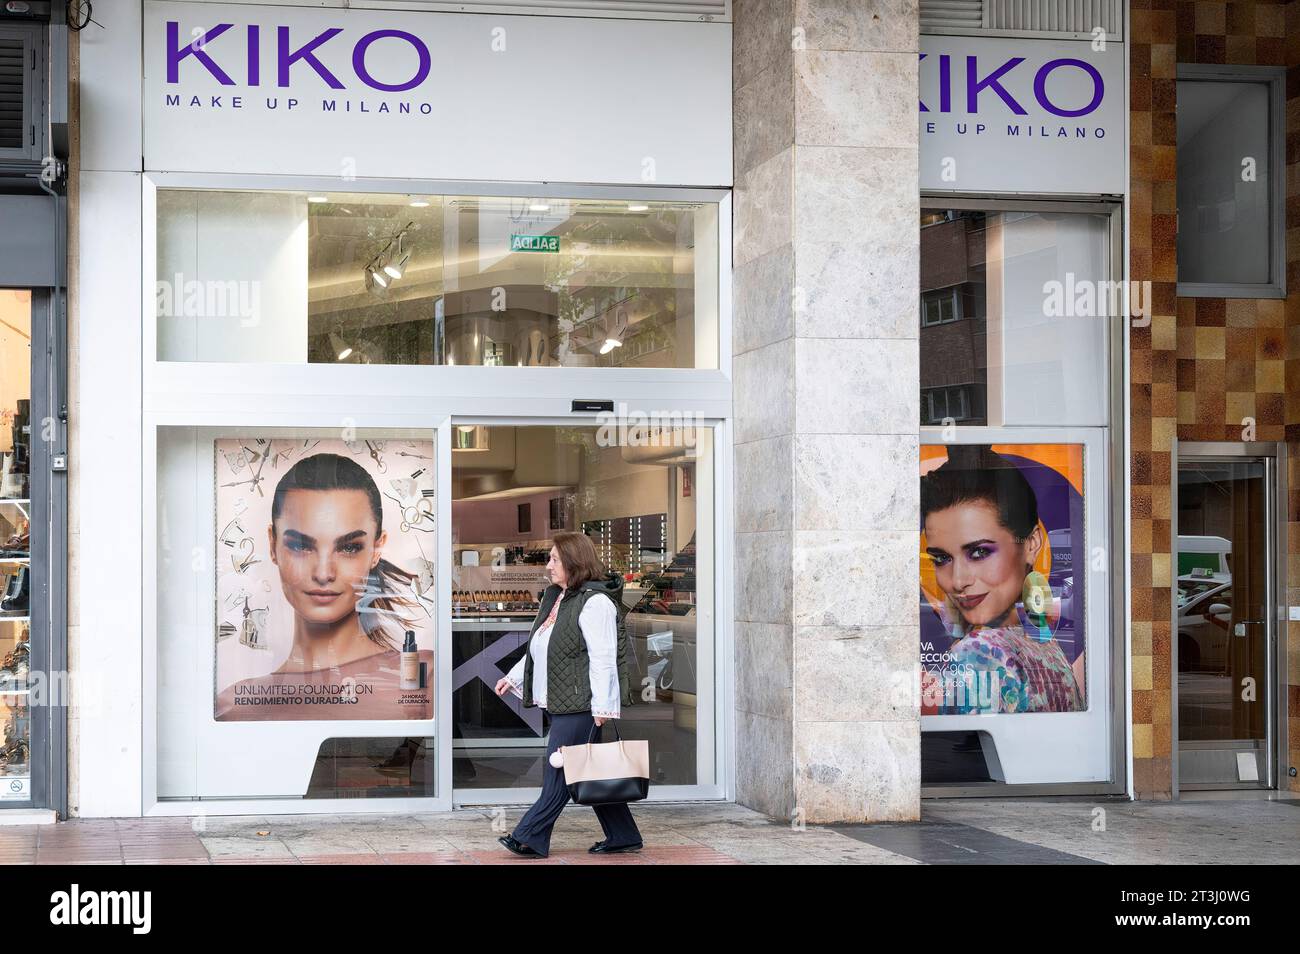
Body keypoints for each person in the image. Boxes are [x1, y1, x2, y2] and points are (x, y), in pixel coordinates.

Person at [216, 452, 432, 721]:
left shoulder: (421, 677)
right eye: (300, 546)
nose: (323, 573)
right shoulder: (236, 705)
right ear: (272, 545)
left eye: (348, 547)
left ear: (377, 548)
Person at [493, 531, 641, 858]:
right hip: (563, 699)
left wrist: (603, 706)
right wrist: (514, 676)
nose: (548, 566)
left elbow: (604, 658)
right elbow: (543, 646)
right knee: (592, 770)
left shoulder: (595, 602)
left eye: (554, 559)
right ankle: (623, 834)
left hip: (581, 704)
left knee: (559, 770)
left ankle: (530, 836)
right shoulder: (562, 598)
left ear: (574, 563)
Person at [921, 446, 1083, 714]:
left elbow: (969, 749)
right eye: (942, 559)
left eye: (979, 552)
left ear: (1031, 544)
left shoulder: (979, 652)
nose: (958, 581)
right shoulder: (1046, 647)